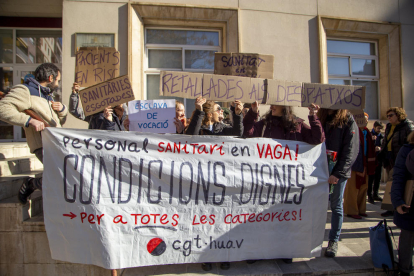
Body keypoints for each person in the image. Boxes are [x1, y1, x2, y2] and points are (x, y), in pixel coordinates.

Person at [185, 96, 243, 271]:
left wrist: (237, 114)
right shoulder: (199, 129)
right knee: (204, 221)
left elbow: (238, 134)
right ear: (209, 114)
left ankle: (225, 255)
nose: (221, 112)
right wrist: (198, 111)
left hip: (221, 183)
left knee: (223, 221)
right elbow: (190, 138)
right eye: (218, 109)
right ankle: (207, 256)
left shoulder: (222, 128)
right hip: (202, 182)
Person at [0, 63, 68, 204]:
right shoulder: (25, 90)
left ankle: (34, 184)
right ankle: (32, 184)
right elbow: (3, 108)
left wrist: (62, 110)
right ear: (51, 77)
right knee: (62, 176)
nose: (58, 83)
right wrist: (29, 120)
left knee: (65, 175)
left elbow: (59, 121)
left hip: (55, 144)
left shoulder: (48, 95)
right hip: (42, 144)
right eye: (58, 80)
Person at [317, 109, 359, 257]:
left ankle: (333, 241)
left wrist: (338, 173)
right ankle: (313, 239)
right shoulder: (321, 116)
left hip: (337, 173)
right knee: (316, 205)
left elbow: (351, 150)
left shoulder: (348, 119)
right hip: (320, 171)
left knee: (336, 205)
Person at [380, 107, 414, 217]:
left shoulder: (407, 126)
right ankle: (391, 206)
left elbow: (410, 142)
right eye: (387, 116)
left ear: (398, 115)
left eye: (391, 115)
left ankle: (397, 205)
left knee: (398, 180)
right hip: (390, 158)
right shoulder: (389, 127)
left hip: (401, 158)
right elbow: (385, 141)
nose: (388, 118)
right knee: (392, 182)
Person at [243, 102, 324, 145]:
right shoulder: (265, 124)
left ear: (284, 105)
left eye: (274, 104)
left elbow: (317, 139)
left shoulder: (298, 125)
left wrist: (313, 117)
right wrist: (253, 113)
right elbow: (248, 133)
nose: (271, 107)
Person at [343, 112, 376, 219]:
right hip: (354, 164)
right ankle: (351, 210)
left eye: (366, 119)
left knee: (363, 187)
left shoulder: (367, 132)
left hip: (365, 163)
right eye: (363, 119)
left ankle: (361, 209)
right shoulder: (352, 130)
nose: (365, 120)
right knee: (352, 188)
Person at [390, 132, 414, 276]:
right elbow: (398, 176)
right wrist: (398, 201)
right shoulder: (407, 150)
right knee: (408, 237)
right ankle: (405, 271)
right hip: (410, 202)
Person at [367, 121, 384, 203]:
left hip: (379, 159)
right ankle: (369, 195)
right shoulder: (369, 135)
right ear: (374, 127)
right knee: (371, 178)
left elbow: (384, 146)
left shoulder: (381, 137)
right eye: (378, 128)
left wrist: (380, 148)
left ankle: (375, 194)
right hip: (371, 160)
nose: (379, 130)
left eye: (381, 129)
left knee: (378, 178)